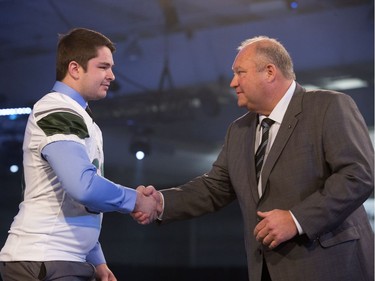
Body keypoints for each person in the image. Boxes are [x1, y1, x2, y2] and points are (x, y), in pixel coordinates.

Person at [134, 36, 374, 281]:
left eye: (240, 72)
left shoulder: (328, 106)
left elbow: (358, 175)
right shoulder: (239, 131)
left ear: (270, 72)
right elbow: (214, 187)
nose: (232, 82)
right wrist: (161, 203)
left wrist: (297, 219)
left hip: (332, 268)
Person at [0, 28, 159, 281]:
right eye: (103, 67)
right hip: (44, 258)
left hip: (58, 259)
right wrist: (136, 201)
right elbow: (83, 188)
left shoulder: (79, 116)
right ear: (75, 69)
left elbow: (76, 203)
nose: (112, 76)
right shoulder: (56, 109)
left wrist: (96, 260)